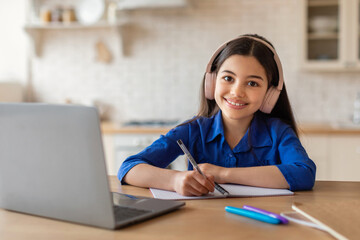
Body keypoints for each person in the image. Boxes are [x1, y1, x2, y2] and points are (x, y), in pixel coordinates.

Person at [118, 34, 316, 196]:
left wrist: (223, 173)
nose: (237, 92)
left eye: (252, 83)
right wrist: (175, 180)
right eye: (228, 78)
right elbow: (129, 168)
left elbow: (304, 173)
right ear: (211, 82)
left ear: (270, 94)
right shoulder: (192, 131)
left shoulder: (278, 132)